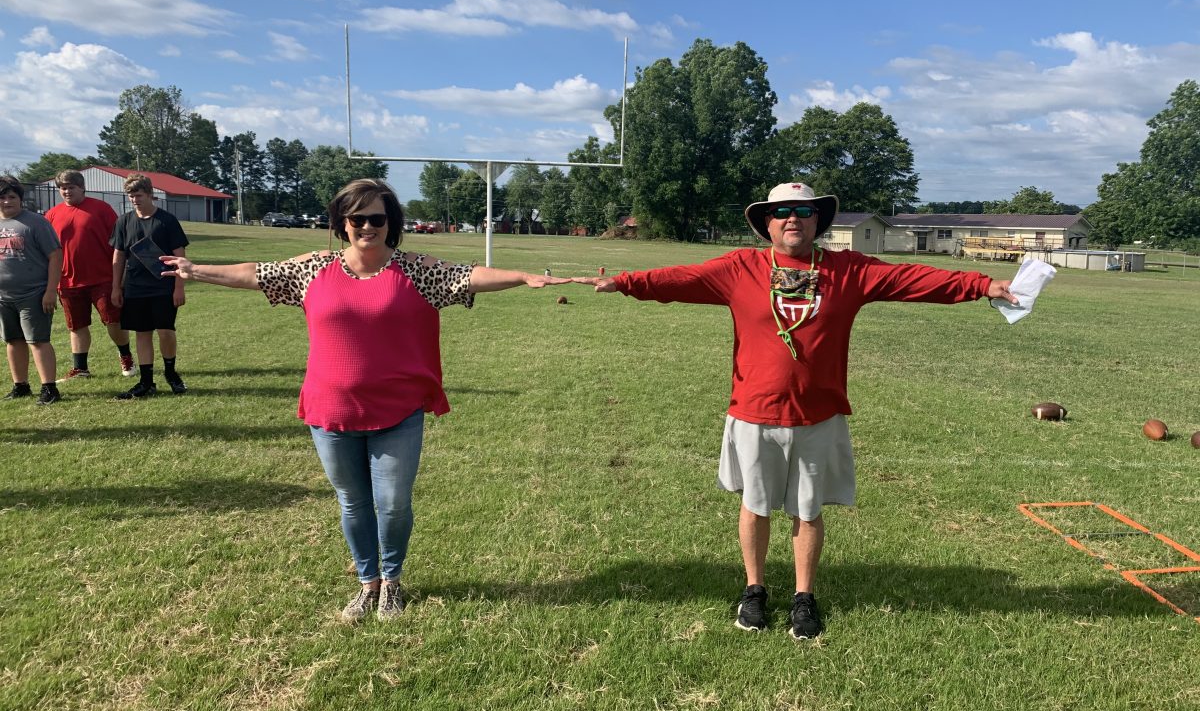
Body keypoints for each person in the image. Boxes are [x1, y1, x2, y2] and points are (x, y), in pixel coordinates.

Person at [577, 182, 1016, 640]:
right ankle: (754, 589)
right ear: (766, 222)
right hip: (753, 410)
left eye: (804, 211)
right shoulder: (740, 267)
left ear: (817, 221)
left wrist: (983, 284)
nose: (793, 218)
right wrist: (624, 282)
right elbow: (679, 279)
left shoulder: (848, 271)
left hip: (817, 415)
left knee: (807, 511)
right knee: (756, 504)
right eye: (782, 211)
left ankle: (803, 597)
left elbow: (912, 278)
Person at [161, 178, 574, 622]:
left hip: (398, 410)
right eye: (357, 218)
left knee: (393, 502)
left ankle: (392, 581)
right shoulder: (314, 268)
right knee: (353, 502)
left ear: (390, 223)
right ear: (343, 223)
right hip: (331, 410)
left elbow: (466, 276)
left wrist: (522, 275)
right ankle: (367, 583)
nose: (367, 226)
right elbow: (258, 273)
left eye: (377, 218)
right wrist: (197, 270)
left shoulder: (414, 270)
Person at [44, 170, 136, 380]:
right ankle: (80, 368)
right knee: (76, 325)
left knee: (113, 321)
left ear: (82, 187)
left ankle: (126, 357)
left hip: (103, 278)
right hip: (68, 280)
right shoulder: (52, 214)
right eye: (63, 188)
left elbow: (119, 244)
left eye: (71, 187)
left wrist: (120, 277)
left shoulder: (101, 209)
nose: (66, 191)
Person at [110, 173, 189, 399]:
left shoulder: (166, 221)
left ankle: (171, 373)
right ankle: (146, 382)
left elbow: (180, 256)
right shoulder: (123, 221)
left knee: (166, 331)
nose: (135, 199)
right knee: (142, 333)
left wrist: (179, 287)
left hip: (163, 286)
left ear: (150, 195)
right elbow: (118, 257)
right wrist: (116, 287)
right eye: (131, 196)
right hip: (135, 287)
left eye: (139, 195)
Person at [0, 174, 63, 405]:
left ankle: (49, 388)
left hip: (33, 293)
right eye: (3, 197)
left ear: (20, 199)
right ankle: (21, 385)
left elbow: (55, 255)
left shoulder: (36, 222)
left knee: (37, 340)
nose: (7, 202)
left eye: (11, 197)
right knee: (12, 340)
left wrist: (50, 290)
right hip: (3, 297)